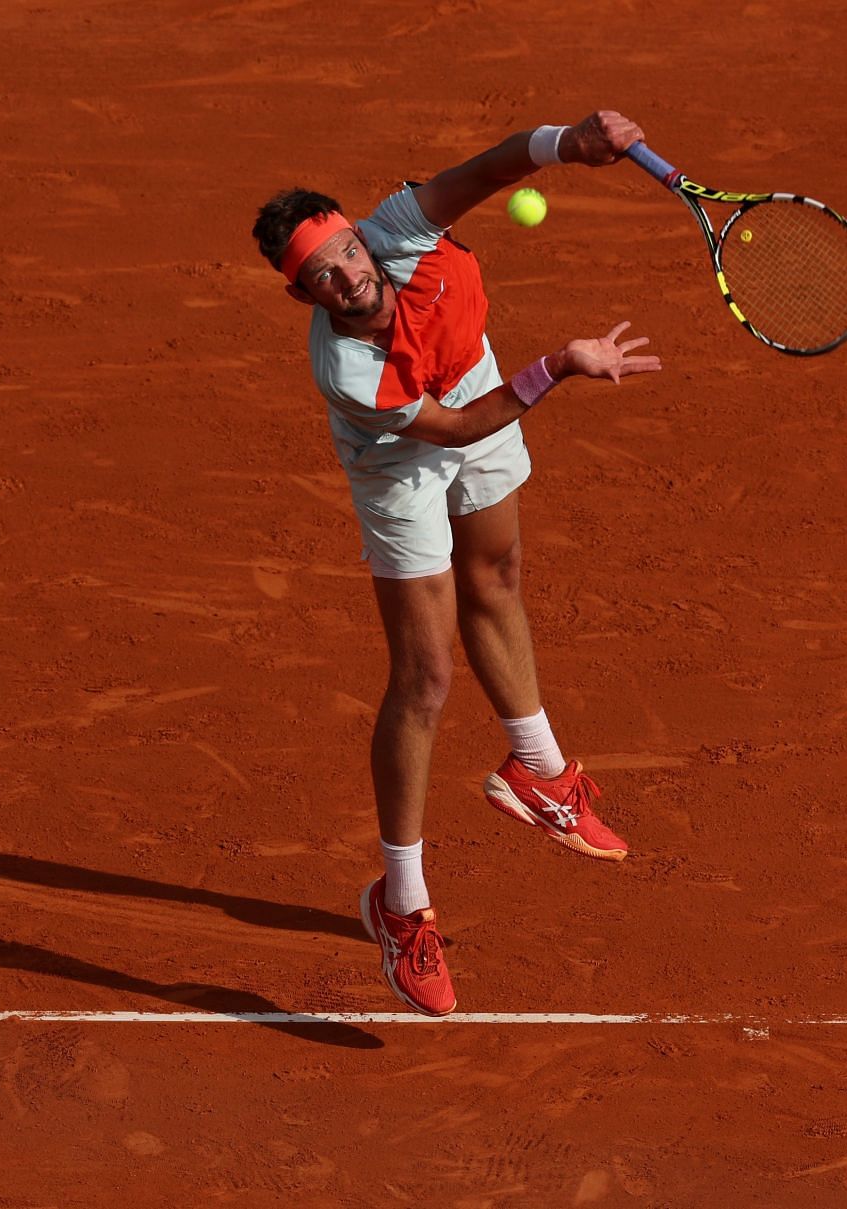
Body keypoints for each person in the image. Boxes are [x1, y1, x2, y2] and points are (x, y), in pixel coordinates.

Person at [250, 112, 662, 1016]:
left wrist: (573, 140)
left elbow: (492, 164)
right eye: (320, 277)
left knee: (498, 576)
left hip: (474, 381)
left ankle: (538, 770)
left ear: (363, 236)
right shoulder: (349, 372)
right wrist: (560, 364)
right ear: (305, 296)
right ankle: (400, 908)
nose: (346, 278)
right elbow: (455, 431)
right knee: (425, 676)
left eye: (346, 254)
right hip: (406, 454)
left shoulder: (403, 227)